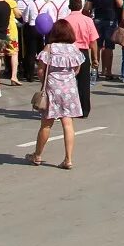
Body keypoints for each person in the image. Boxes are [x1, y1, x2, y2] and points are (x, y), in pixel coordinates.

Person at [27, 19, 85, 169]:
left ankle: (37, 155)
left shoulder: (50, 48)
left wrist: (44, 81)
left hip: (52, 88)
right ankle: (68, 159)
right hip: (70, 89)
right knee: (68, 123)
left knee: (46, 124)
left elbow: (40, 70)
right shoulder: (74, 48)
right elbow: (77, 69)